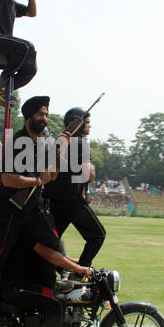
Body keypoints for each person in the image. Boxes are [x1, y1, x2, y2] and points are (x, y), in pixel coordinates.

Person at [0, 96, 68, 314]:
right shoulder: (15, 143)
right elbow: (7, 179)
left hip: (33, 210)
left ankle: (62, 277)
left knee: (54, 242)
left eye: (46, 115)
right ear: (29, 117)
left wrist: (59, 149)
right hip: (10, 211)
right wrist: (37, 181)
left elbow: (53, 175)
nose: (44, 118)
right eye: (40, 114)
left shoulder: (43, 145)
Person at [1, 231, 92, 327]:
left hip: (22, 280)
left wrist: (72, 263)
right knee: (58, 301)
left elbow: (52, 249)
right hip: (16, 285)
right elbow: (47, 253)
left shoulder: (35, 225)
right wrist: (77, 268)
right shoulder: (30, 227)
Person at [44, 107, 106, 281]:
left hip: (53, 201)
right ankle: (79, 272)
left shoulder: (58, 142)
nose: (90, 126)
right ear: (77, 124)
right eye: (86, 122)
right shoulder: (81, 143)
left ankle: (61, 271)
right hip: (73, 201)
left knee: (51, 242)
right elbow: (89, 175)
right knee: (97, 235)